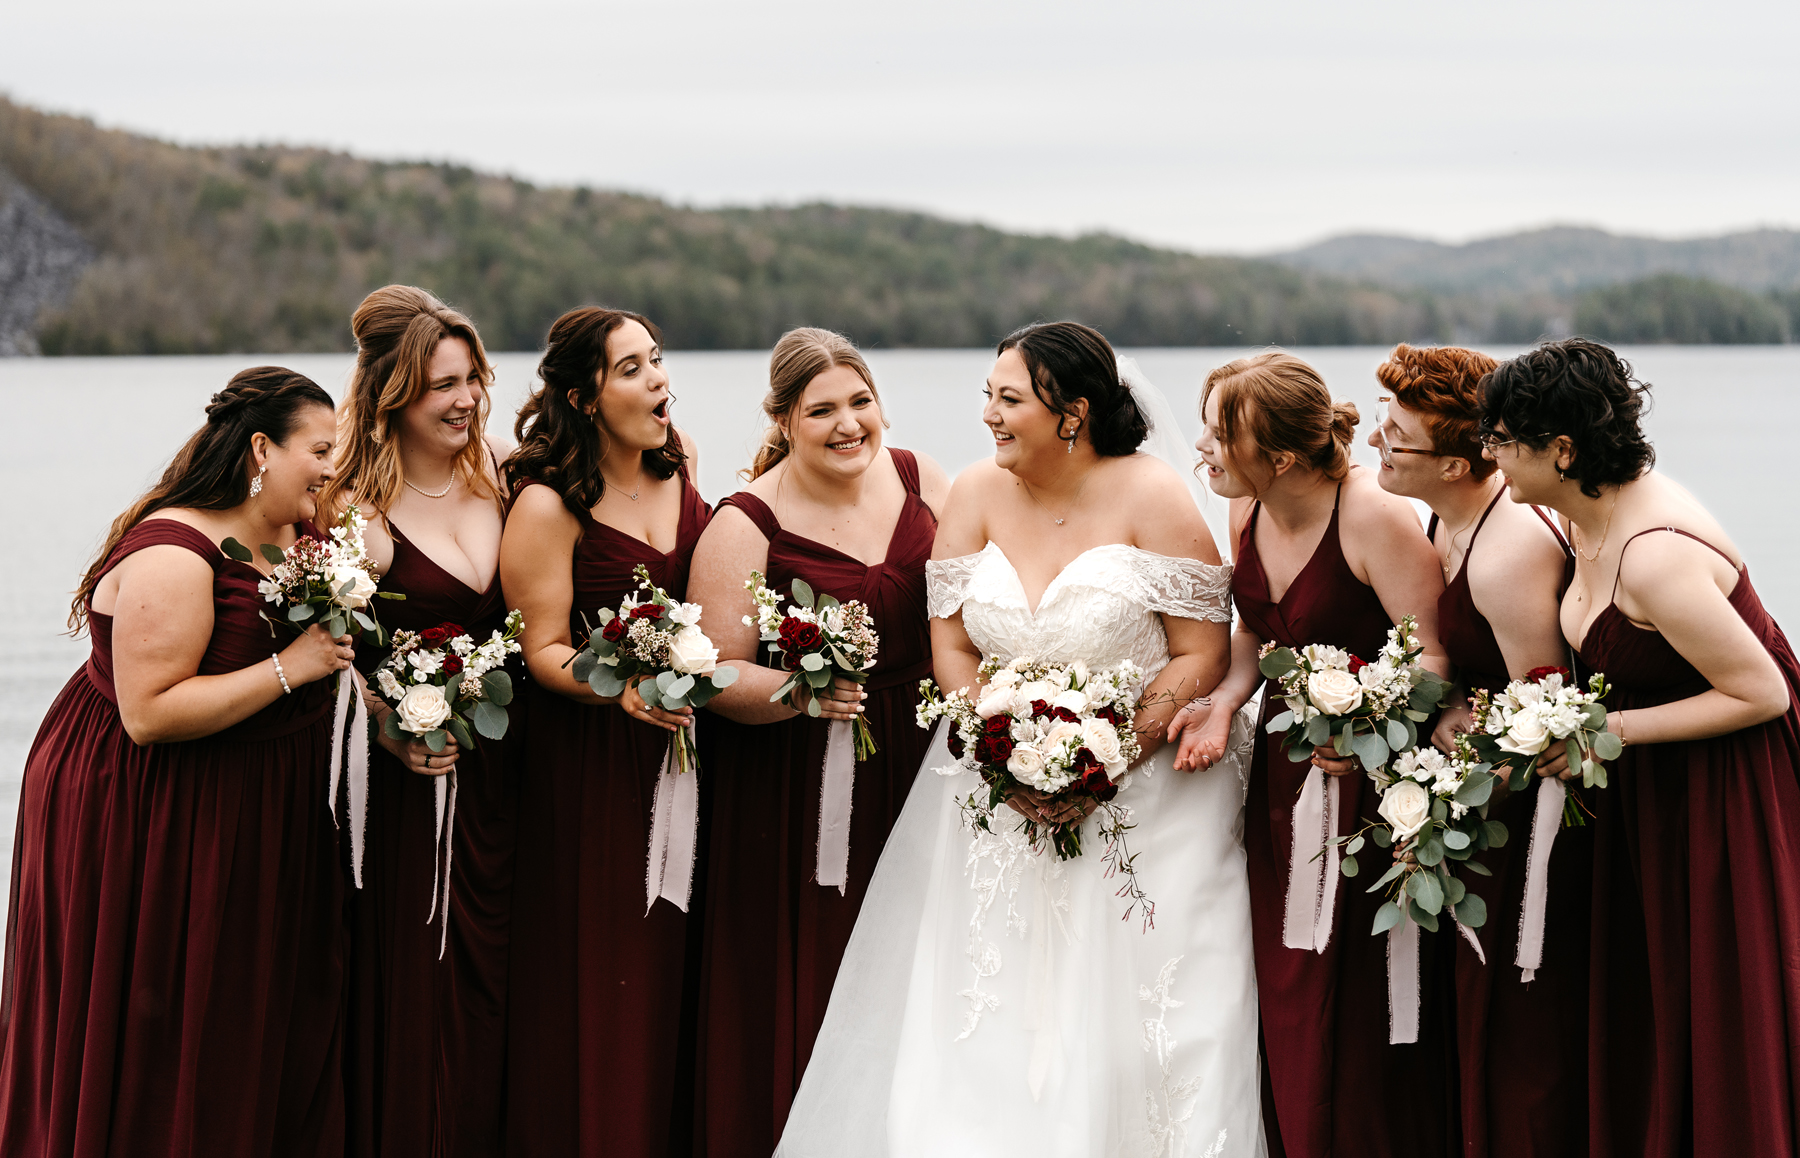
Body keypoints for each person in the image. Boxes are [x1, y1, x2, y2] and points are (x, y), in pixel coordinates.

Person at [778, 321, 1265, 1156]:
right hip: (992, 801)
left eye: (1010, 400)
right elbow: (953, 647)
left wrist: (1106, 759)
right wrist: (1004, 751)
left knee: (1141, 1023)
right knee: (985, 1013)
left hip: (1145, 804)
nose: (990, 417)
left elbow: (1200, 651)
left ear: (1071, 413)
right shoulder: (973, 493)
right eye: (989, 397)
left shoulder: (1151, 494)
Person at [0, 367, 355, 1155]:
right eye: (321, 449)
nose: (336, 468)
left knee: (246, 1017)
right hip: (152, 804)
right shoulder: (176, 552)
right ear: (262, 448)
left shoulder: (304, 536)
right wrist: (289, 669)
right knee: (165, 1014)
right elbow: (148, 715)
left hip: (259, 798)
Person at [1478, 337, 1800, 1158]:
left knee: (1723, 1004)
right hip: (1660, 783)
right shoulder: (1577, 515)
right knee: (1660, 1003)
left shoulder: (1655, 552)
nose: (1490, 455)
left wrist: (1606, 731)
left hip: (1727, 790)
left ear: (1562, 448)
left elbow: (1761, 691)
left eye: (1504, 439)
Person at [1177, 351, 1452, 1157]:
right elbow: (1257, 630)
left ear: (1283, 457)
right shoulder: (1246, 511)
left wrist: (1361, 724)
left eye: (1220, 435)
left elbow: (1431, 657)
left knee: (1352, 984)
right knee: (1286, 968)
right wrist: (1225, 702)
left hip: (1368, 783)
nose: (1203, 449)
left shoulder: (1371, 518)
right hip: (1280, 771)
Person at [686, 328, 947, 1156]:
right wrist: (804, 692)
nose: (848, 425)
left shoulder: (920, 477)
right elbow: (712, 674)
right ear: (784, 419)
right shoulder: (745, 523)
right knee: (817, 971)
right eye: (822, 409)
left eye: (860, 402)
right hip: (796, 787)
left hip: (927, 768)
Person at [499, 307, 708, 1157]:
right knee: (608, 975)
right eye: (632, 368)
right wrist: (618, 685)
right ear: (586, 396)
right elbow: (540, 651)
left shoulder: (679, 466)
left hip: (690, 748)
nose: (657, 379)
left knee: (680, 968)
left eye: (657, 359)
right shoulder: (549, 505)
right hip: (590, 765)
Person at [1369, 343, 1587, 1156]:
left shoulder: (1507, 552)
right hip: (1477, 797)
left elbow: (1546, 708)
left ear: (1460, 463)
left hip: (1528, 819)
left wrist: (1440, 815)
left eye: (1395, 437)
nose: (1374, 445)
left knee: (1524, 1022)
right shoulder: (1444, 522)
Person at [323, 285, 517, 1158]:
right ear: (393, 395)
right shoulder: (352, 512)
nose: (466, 398)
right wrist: (385, 725)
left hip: (514, 778)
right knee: (414, 983)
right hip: (410, 789)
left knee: (501, 982)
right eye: (443, 384)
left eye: (472, 378)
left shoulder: (506, 480)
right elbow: (328, 658)